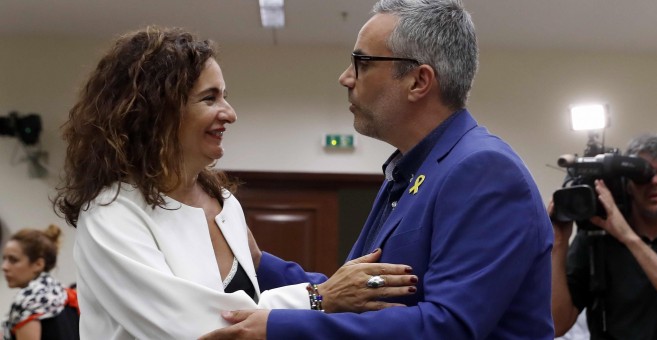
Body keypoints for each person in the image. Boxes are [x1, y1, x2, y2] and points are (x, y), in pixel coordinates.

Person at [201, 0, 555, 338]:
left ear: (418, 81)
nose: (346, 78)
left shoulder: (484, 170)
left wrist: (277, 328)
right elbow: (363, 293)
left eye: (362, 62)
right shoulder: (410, 172)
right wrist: (260, 263)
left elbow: (447, 327)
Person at [52, 26, 417, 339]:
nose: (229, 113)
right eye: (210, 98)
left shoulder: (224, 202)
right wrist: (318, 297)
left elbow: (248, 314)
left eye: (225, 96)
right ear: (156, 112)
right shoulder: (112, 213)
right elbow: (202, 329)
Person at [550, 133, 657, 339]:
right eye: (644, 175)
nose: (654, 181)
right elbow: (556, 325)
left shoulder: (620, 235)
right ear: (626, 184)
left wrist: (628, 237)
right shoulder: (596, 238)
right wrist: (559, 242)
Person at [2, 225, 79, 340]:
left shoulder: (28, 301)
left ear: (38, 264)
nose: (4, 267)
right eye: (4, 259)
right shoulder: (67, 296)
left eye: (13, 260)